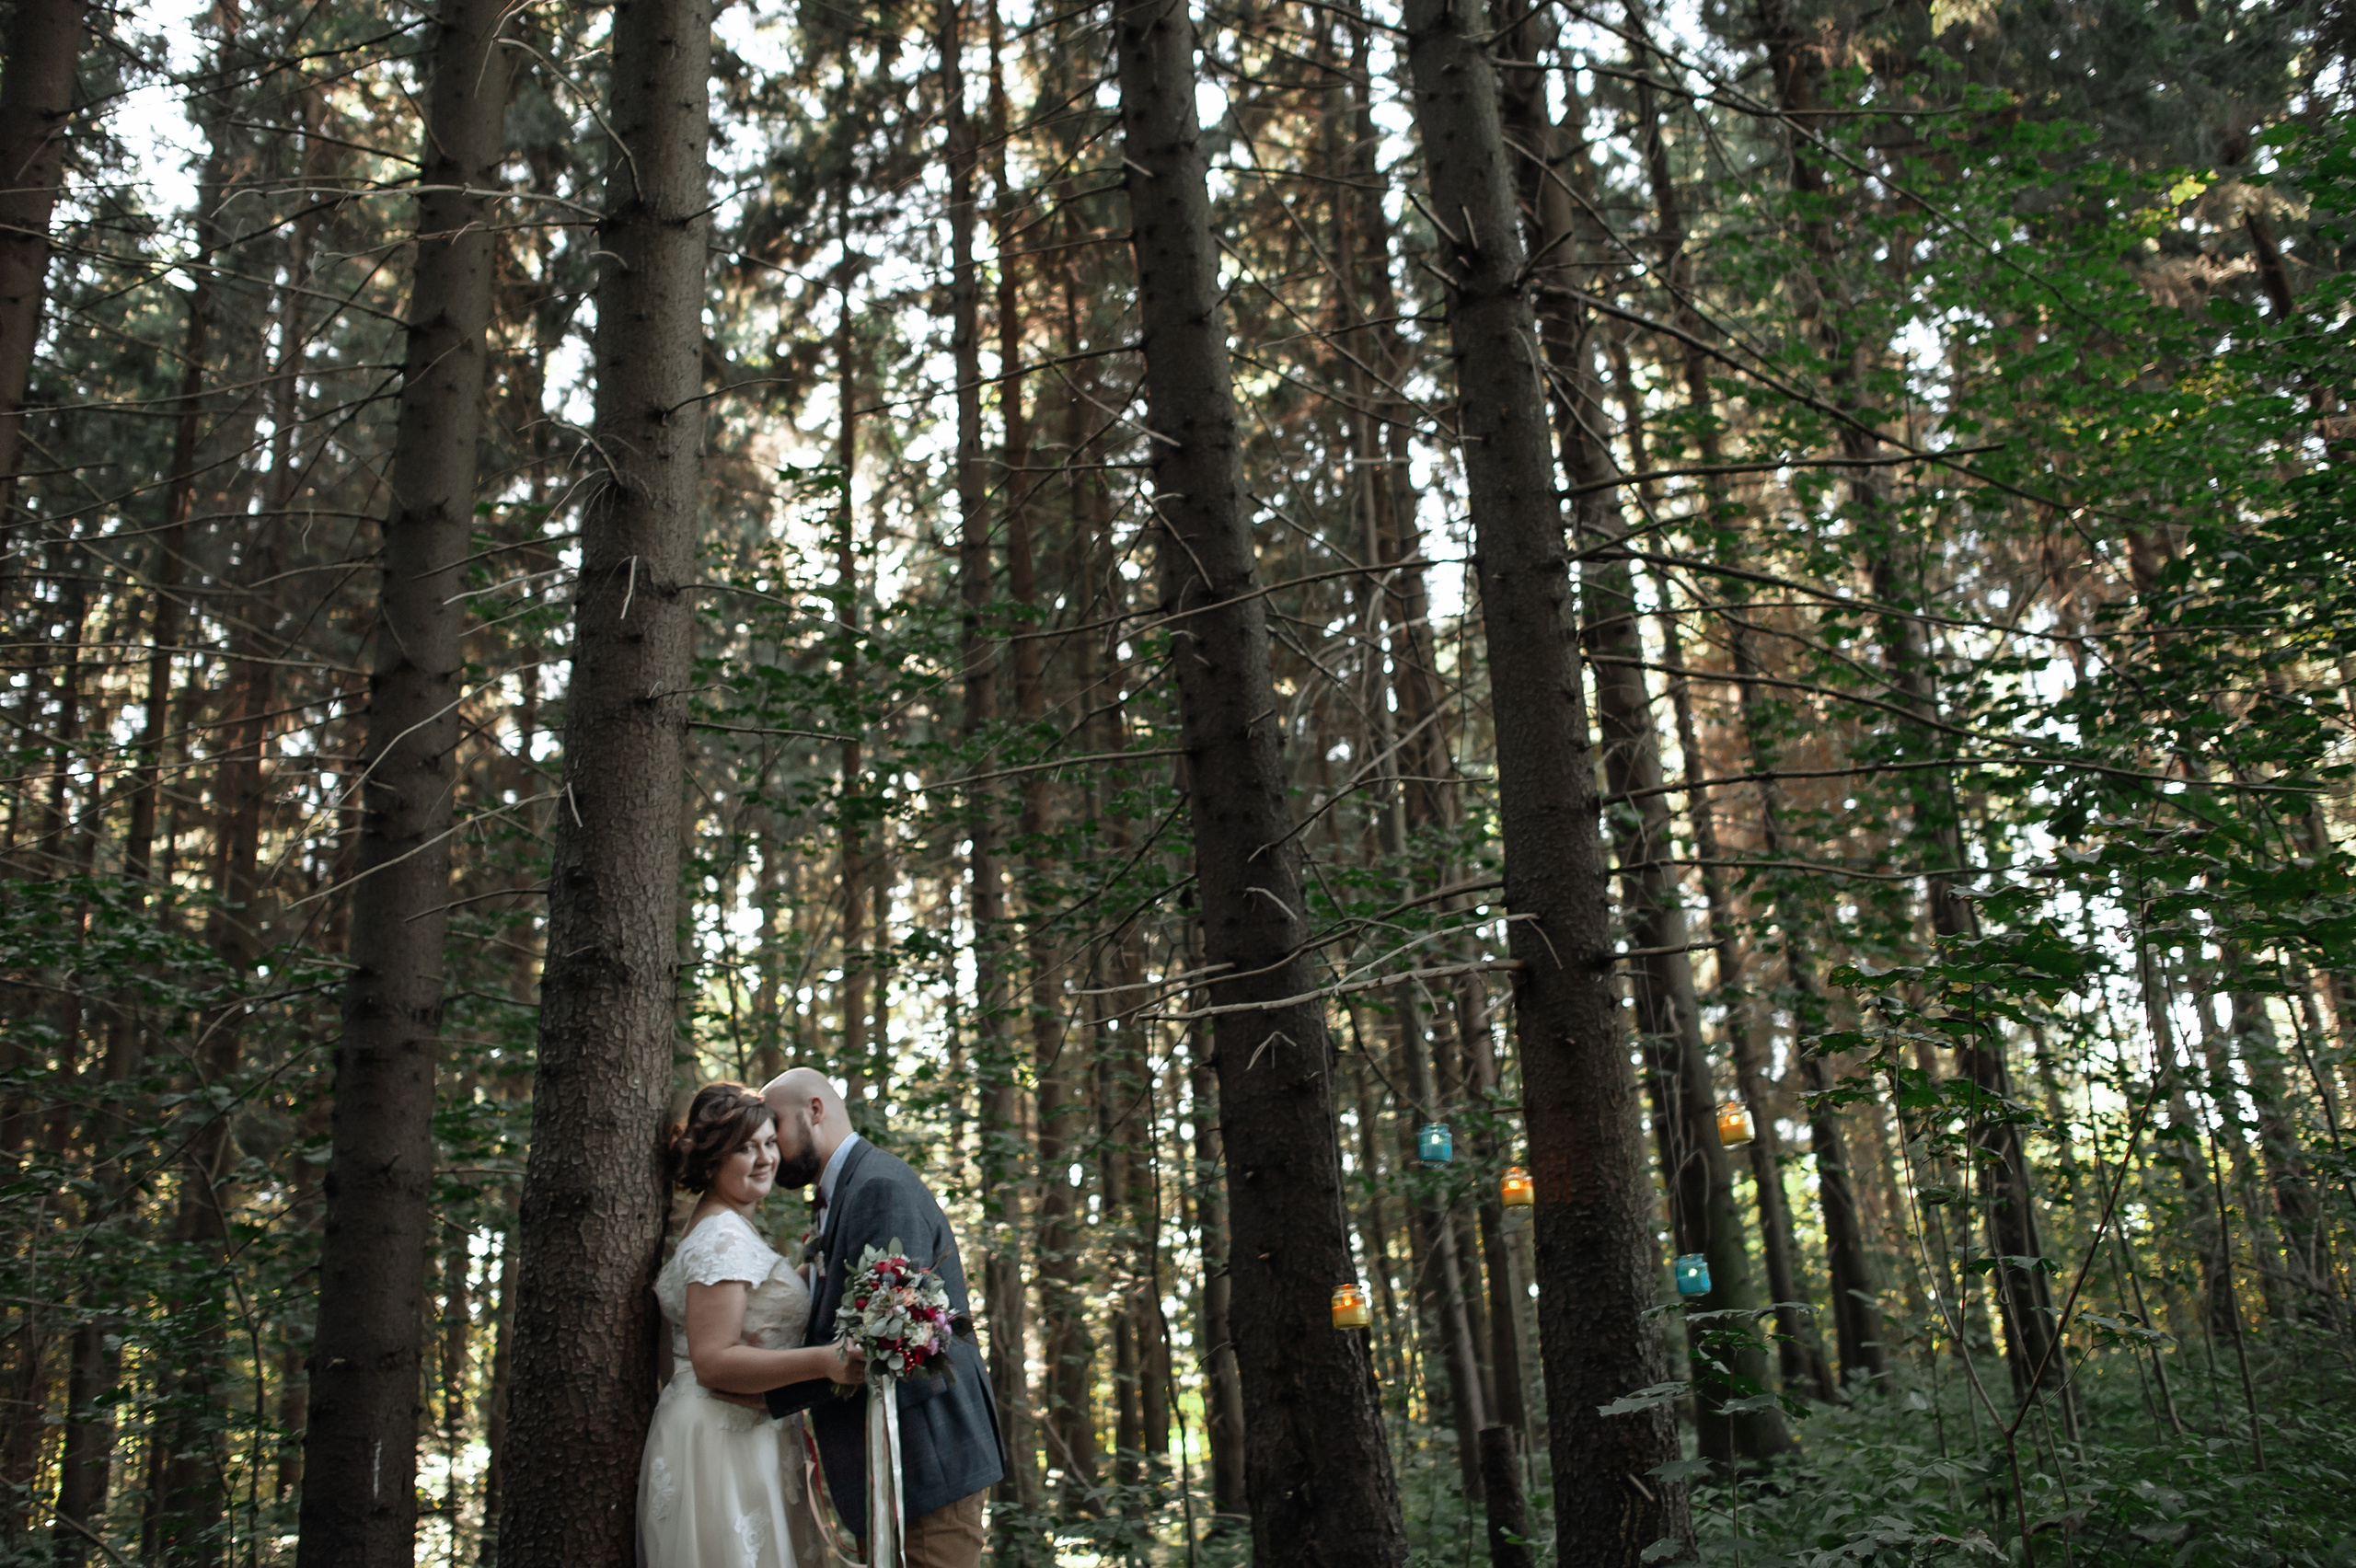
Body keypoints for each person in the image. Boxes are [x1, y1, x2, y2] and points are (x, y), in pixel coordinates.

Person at [734, 1067, 1004, 1568]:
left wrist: (748, 1390)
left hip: (925, 1465)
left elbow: (886, 1349)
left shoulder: (878, 1188)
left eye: (775, 1127)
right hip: (897, 1469)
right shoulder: (844, 1192)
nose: (768, 1143)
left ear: (814, 1111)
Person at [640, 1081, 866, 1568]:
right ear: (712, 1159)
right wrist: (826, 1362)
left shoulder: (728, 1225)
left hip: (743, 1427)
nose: (765, 1158)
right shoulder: (722, 1236)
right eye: (746, 1147)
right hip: (722, 1437)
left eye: (768, 1142)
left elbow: (752, 1308)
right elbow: (714, 1361)